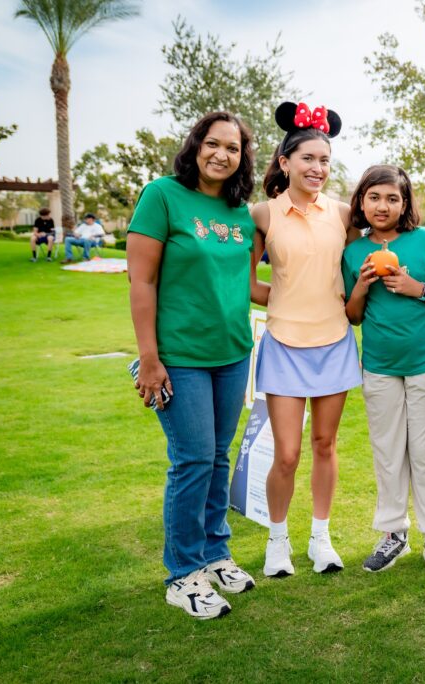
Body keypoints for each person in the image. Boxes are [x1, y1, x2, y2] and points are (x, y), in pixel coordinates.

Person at [127, 111, 258, 619]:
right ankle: (183, 574)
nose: (222, 154)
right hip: (177, 356)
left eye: (233, 148)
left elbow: (247, 286)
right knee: (192, 460)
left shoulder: (239, 212)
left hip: (232, 353)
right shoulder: (162, 195)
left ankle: (215, 553)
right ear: (196, 145)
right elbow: (142, 282)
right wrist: (149, 358)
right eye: (214, 143)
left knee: (219, 457)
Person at [250, 102, 362, 578]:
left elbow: (371, 259)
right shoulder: (262, 213)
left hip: (334, 342)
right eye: (308, 159)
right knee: (287, 452)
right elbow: (243, 285)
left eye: (325, 161)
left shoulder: (342, 214)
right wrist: (283, 298)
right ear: (285, 162)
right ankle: (278, 542)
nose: (317, 169)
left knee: (324, 444)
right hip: (283, 345)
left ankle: (320, 539)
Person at [342, 165, 425, 577]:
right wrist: (360, 286)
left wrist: (418, 289)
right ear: (361, 201)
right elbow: (353, 316)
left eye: (393, 198)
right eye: (374, 197)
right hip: (379, 365)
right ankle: (393, 533)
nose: (383, 205)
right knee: (388, 452)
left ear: (405, 203)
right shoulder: (354, 251)